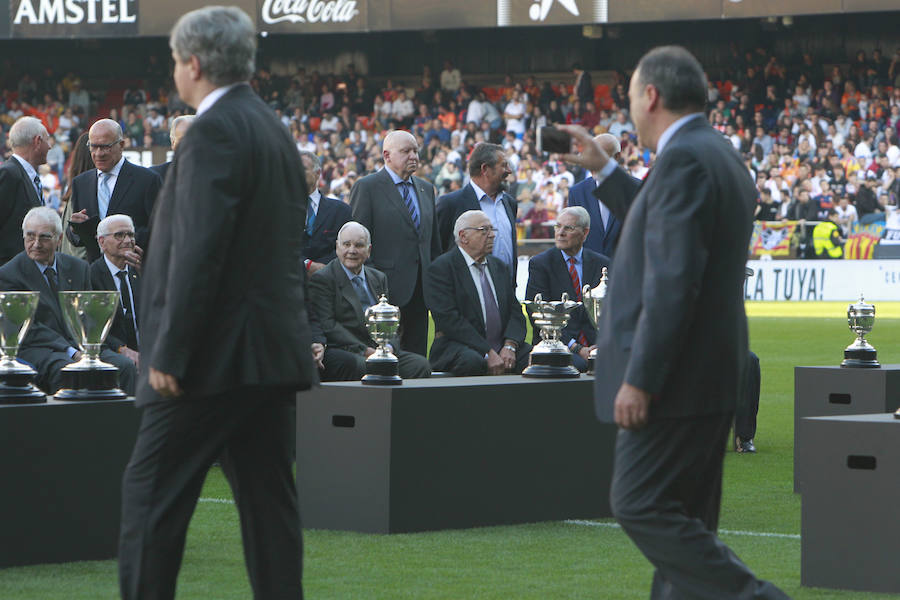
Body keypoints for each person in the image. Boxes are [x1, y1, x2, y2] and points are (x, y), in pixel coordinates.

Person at [560, 46, 789, 599]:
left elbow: (673, 279)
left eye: (632, 96)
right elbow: (659, 215)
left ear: (652, 96)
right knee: (686, 535)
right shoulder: (715, 152)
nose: (631, 108)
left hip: (675, 380)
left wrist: (641, 377)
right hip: (711, 373)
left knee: (640, 505)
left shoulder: (684, 158)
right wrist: (604, 168)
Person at [118, 7, 315, 600]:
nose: (175, 71)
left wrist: (171, 351)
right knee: (269, 513)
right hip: (267, 356)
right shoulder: (270, 127)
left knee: (149, 499)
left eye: (177, 61)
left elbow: (198, 249)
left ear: (194, 64)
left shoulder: (212, 131)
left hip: (208, 362)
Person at [0, 207, 136, 395]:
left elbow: (89, 316)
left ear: (59, 239)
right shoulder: (9, 274)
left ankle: (124, 422)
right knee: (69, 371)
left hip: (81, 344)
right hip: (41, 348)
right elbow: (28, 327)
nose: (36, 244)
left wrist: (92, 349)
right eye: (30, 236)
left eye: (44, 237)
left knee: (124, 366)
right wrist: (71, 352)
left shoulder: (78, 268)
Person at [350, 130, 441, 356]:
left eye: (415, 151)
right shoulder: (368, 187)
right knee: (386, 355)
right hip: (384, 290)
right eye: (406, 151)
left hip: (422, 289)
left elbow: (433, 243)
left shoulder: (426, 189)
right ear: (387, 155)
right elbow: (358, 238)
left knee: (418, 356)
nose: (413, 156)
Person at [308, 221, 431, 380]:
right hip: (347, 350)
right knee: (364, 367)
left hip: (380, 348)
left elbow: (390, 321)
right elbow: (329, 326)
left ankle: (400, 405)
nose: (352, 250)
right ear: (337, 247)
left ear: (369, 250)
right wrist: (366, 351)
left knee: (420, 365)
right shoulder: (324, 278)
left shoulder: (378, 278)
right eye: (346, 244)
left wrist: (389, 347)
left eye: (359, 245)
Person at [424, 210, 530, 376]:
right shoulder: (441, 269)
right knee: (473, 361)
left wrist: (510, 345)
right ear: (463, 236)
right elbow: (450, 320)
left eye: (492, 230)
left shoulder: (499, 267)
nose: (492, 236)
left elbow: (515, 312)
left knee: (540, 359)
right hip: (460, 345)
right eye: (484, 230)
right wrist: (487, 351)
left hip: (502, 345)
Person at [524, 206, 609, 373]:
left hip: (598, 343)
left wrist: (602, 345)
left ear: (585, 233)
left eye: (568, 228)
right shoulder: (540, 264)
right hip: (557, 342)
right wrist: (576, 348)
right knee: (580, 365)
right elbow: (539, 314)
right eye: (558, 226)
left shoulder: (603, 265)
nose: (560, 233)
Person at [68, 119, 162, 261]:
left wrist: (121, 237)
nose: (99, 153)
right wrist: (75, 229)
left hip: (134, 270)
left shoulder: (147, 180)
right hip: (95, 273)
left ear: (121, 145)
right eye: (94, 147)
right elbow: (77, 240)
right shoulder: (81, 183)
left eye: (105, 147)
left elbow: (160, 230)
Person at [436, 143, 517, 277]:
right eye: (503, 165)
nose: (509, 170)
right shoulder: (450, 204)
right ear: (485, 169)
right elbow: (437, 252)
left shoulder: (509, 203)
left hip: (505, 292)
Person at [567, 133, 637, 258]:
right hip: (591, 272)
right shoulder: (577, 193)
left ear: (616, 157)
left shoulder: (638, 189)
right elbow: (573, 238)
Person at [89, 214, 141, 368]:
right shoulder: (91, 275)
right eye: (119, 235)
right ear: (102, 242)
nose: (127, 241)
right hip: (113, 351)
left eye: (130, 235)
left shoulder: (139, 270)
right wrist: (122, 349)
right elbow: (94, 326)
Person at [0, 117, 49, 265]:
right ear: (37, 141)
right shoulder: (9, 174)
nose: (50, 146)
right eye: (48, 140)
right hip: (9, 271)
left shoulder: (25, 175)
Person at [300, 150, 351, 274]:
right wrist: (306, 265)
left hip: (331, 282)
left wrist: (325, 268)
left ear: (317, 173)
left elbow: (349, 247)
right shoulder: (279, 209)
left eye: (302, 168)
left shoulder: (341, 210)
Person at [149, 114, 195, 182]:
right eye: (183, 140)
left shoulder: (214, 174)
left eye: (195, 139)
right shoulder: (154, 176)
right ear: (173, 142)